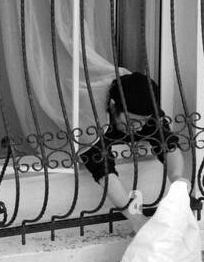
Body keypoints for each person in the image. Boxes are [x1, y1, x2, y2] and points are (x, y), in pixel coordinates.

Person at [79, 72, 189, 222]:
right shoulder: (90, 116)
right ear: (113, 106)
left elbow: (167, 144)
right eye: (131, 120)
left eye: (143, 121)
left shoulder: (144, 104)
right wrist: (135, 219)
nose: (138, 127)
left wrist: (177, 178)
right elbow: (103, 169)